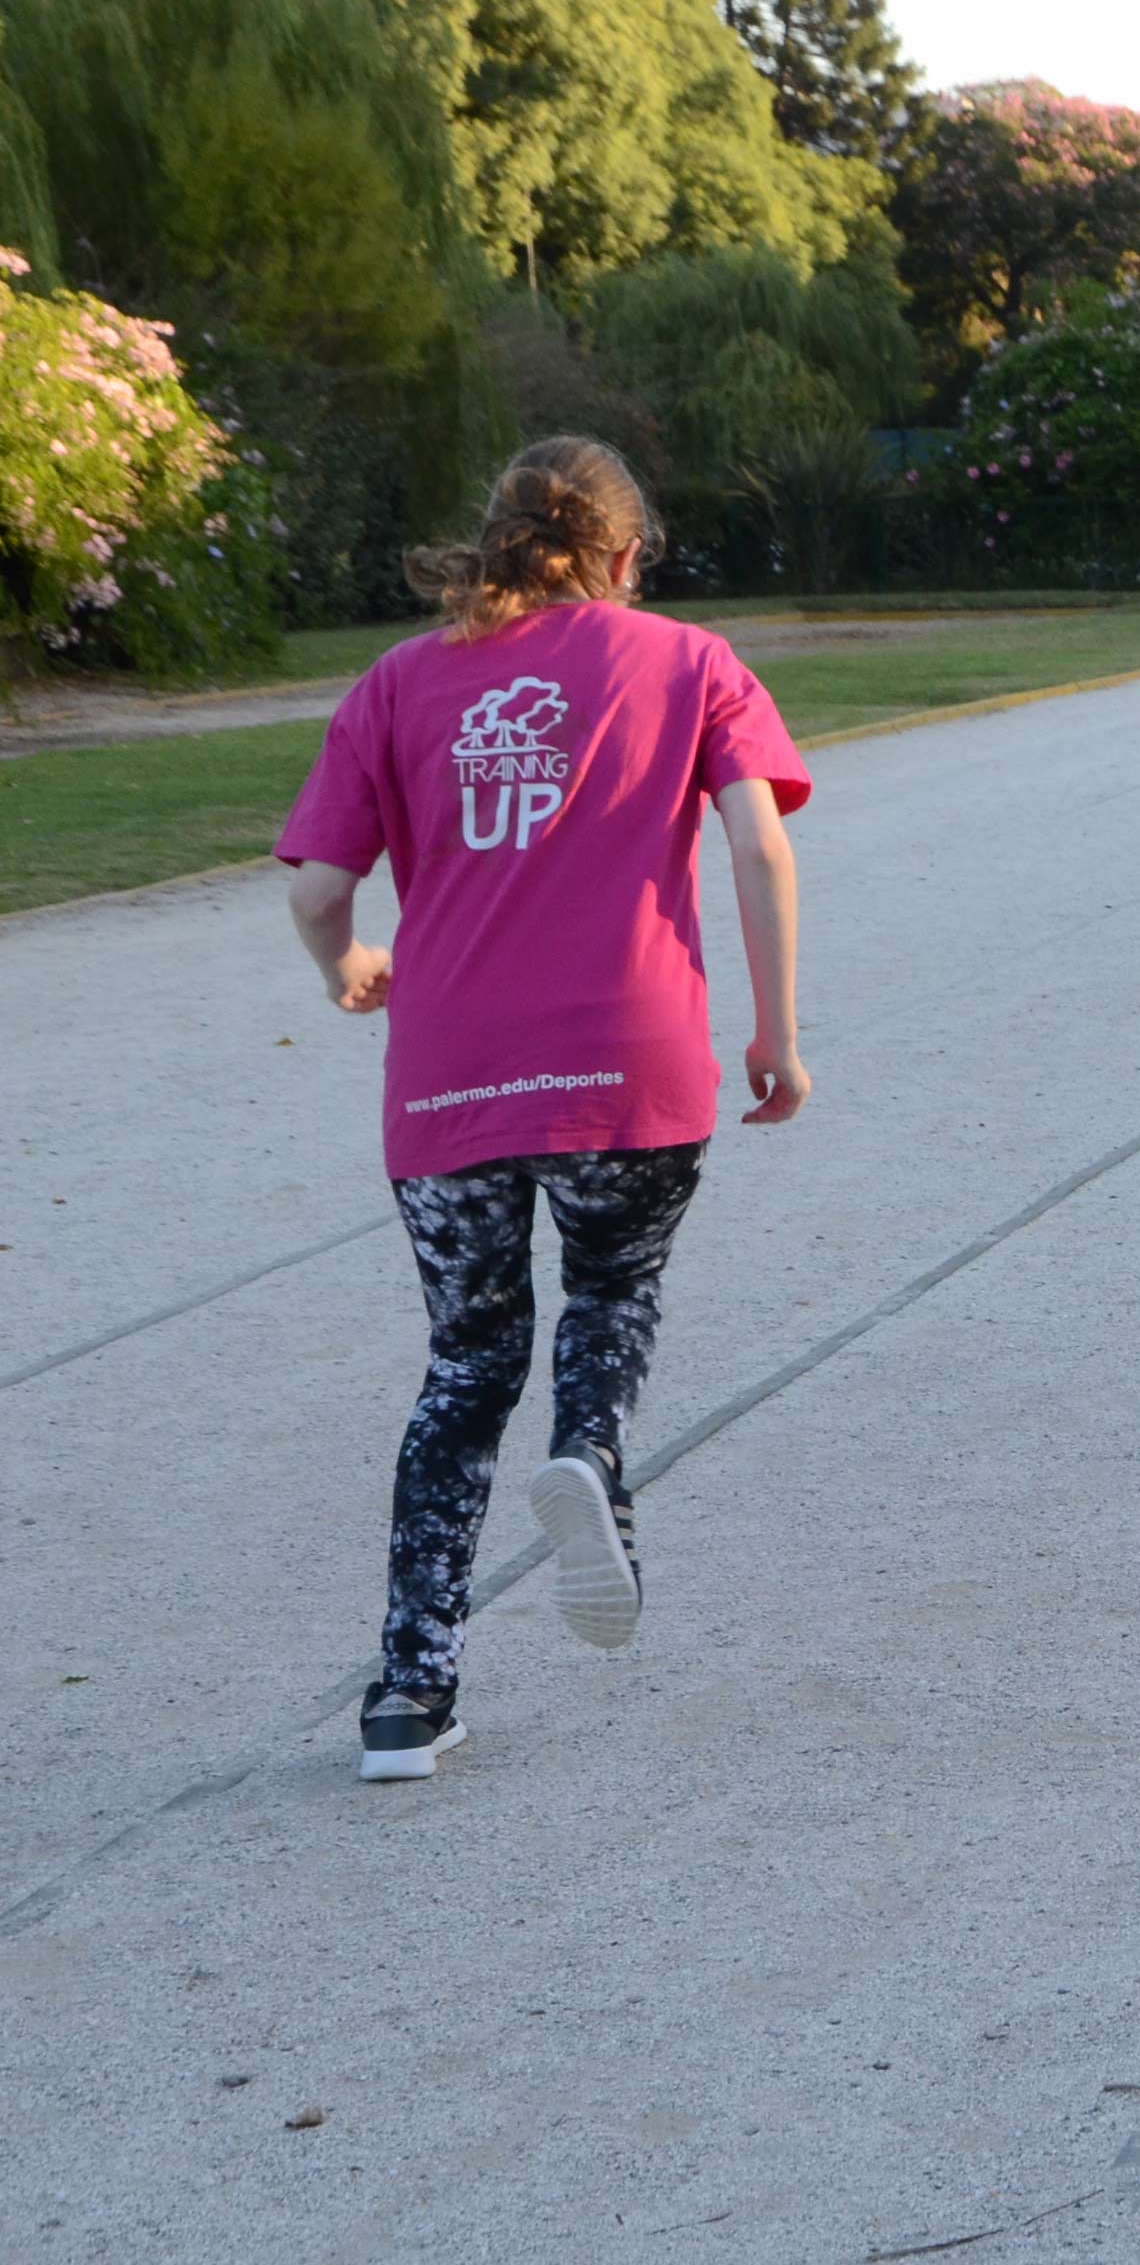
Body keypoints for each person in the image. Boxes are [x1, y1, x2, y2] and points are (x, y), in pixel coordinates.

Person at [278, 436, 815, 1783]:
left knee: (464, 1367)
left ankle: (408, 1693)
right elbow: (759, 841)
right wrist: (776, 1035)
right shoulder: (690, 662)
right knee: (612, 1288)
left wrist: (348, 966)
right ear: (628, 553)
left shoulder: (399, 683)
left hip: (452, 1072)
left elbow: (314, 890)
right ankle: (590, 1453)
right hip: (627, 1064)